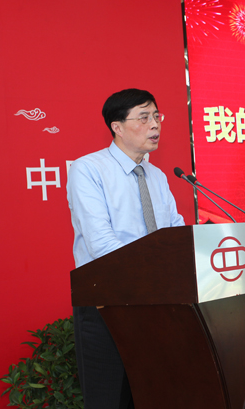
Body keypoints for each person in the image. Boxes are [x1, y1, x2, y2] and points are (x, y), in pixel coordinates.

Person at [66, 88, 185, 409]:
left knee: (152, 394)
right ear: (117, 127)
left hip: (157, 301)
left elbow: (174, 233)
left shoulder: (157, 176)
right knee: (110, 398)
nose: (155, 125)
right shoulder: (88, 170)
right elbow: (101, 243)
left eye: (157, 116)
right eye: (144, 118)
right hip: (108, 301)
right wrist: (155, 273)